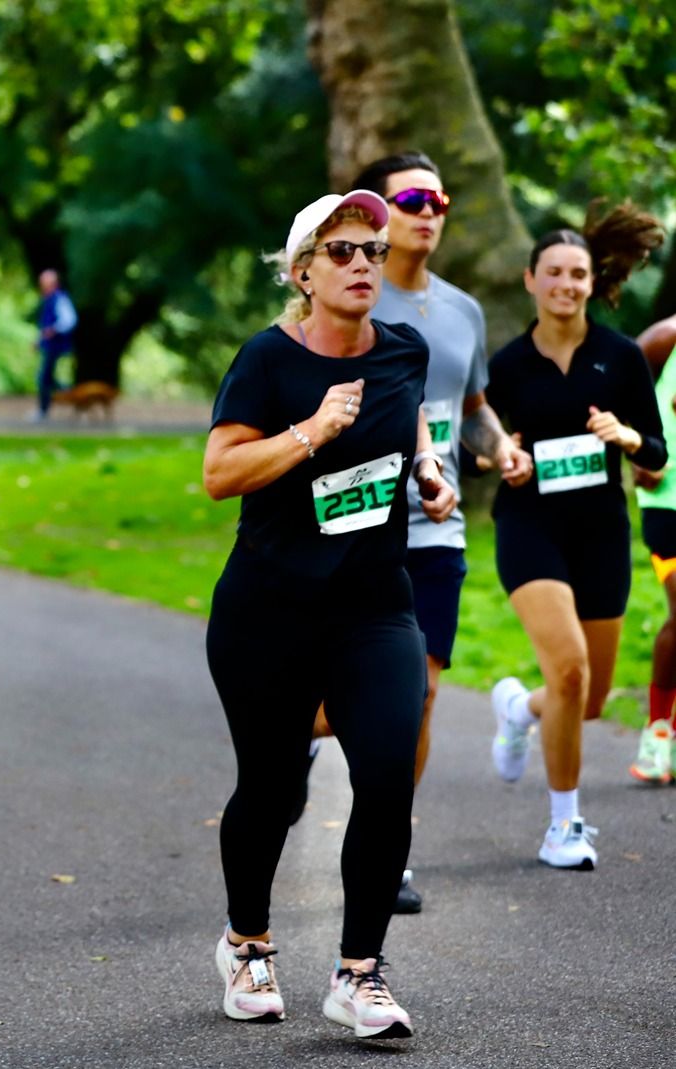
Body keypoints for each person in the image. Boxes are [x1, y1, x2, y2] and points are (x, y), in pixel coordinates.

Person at [203, 190, 454, 1040]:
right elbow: (220, 473)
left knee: (386, 773)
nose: (361, 266)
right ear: (302, 270)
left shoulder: (405, 351)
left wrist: (427, 468)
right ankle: (247, 943)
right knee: (273, 791)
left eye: (372, 252)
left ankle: (359, 972)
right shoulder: (268, 360)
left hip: (374, 605)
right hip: (268, 609)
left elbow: (407, 416)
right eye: (341, 251)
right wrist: (309, 432)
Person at [292, 152, 533, 914]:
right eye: (412, 198)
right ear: (376, 216)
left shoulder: (462, 310)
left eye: (439, 199)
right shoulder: (348, 293)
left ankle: (387, 843)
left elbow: (471, 408)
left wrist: (501, 449)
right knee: (334, 692)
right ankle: (297, 732)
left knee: (418, 693)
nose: (428, 211)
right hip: (350, 524)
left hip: (437, 527)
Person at [485, 205, 667, 868]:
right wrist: (501, 455)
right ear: (532, 280)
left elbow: (658, 451)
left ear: (593, 282)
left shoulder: (619, 357)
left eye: (578, 274)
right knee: (568, 667)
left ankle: (517, 709)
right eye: (554, 272)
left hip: (600, 532)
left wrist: (626, 437)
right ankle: (564, 826)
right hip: (529, 526)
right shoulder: (505, 364)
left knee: (584, 699)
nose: (566, 283)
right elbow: (480, 440)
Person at [631, 312, 676, 782]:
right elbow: (620, 382)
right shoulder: (666, 337)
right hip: (669, 502)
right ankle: (657, 731)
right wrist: (638, 450)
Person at [33, 268, 76, 420]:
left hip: (56, 346)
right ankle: (66, 391)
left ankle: (44, 409)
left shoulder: (59, 298)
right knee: (46, 377)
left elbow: (69, 320)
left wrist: (54, 330)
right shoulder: (49, 299)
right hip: (49, 345)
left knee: (44, 377)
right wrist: (40, 340)